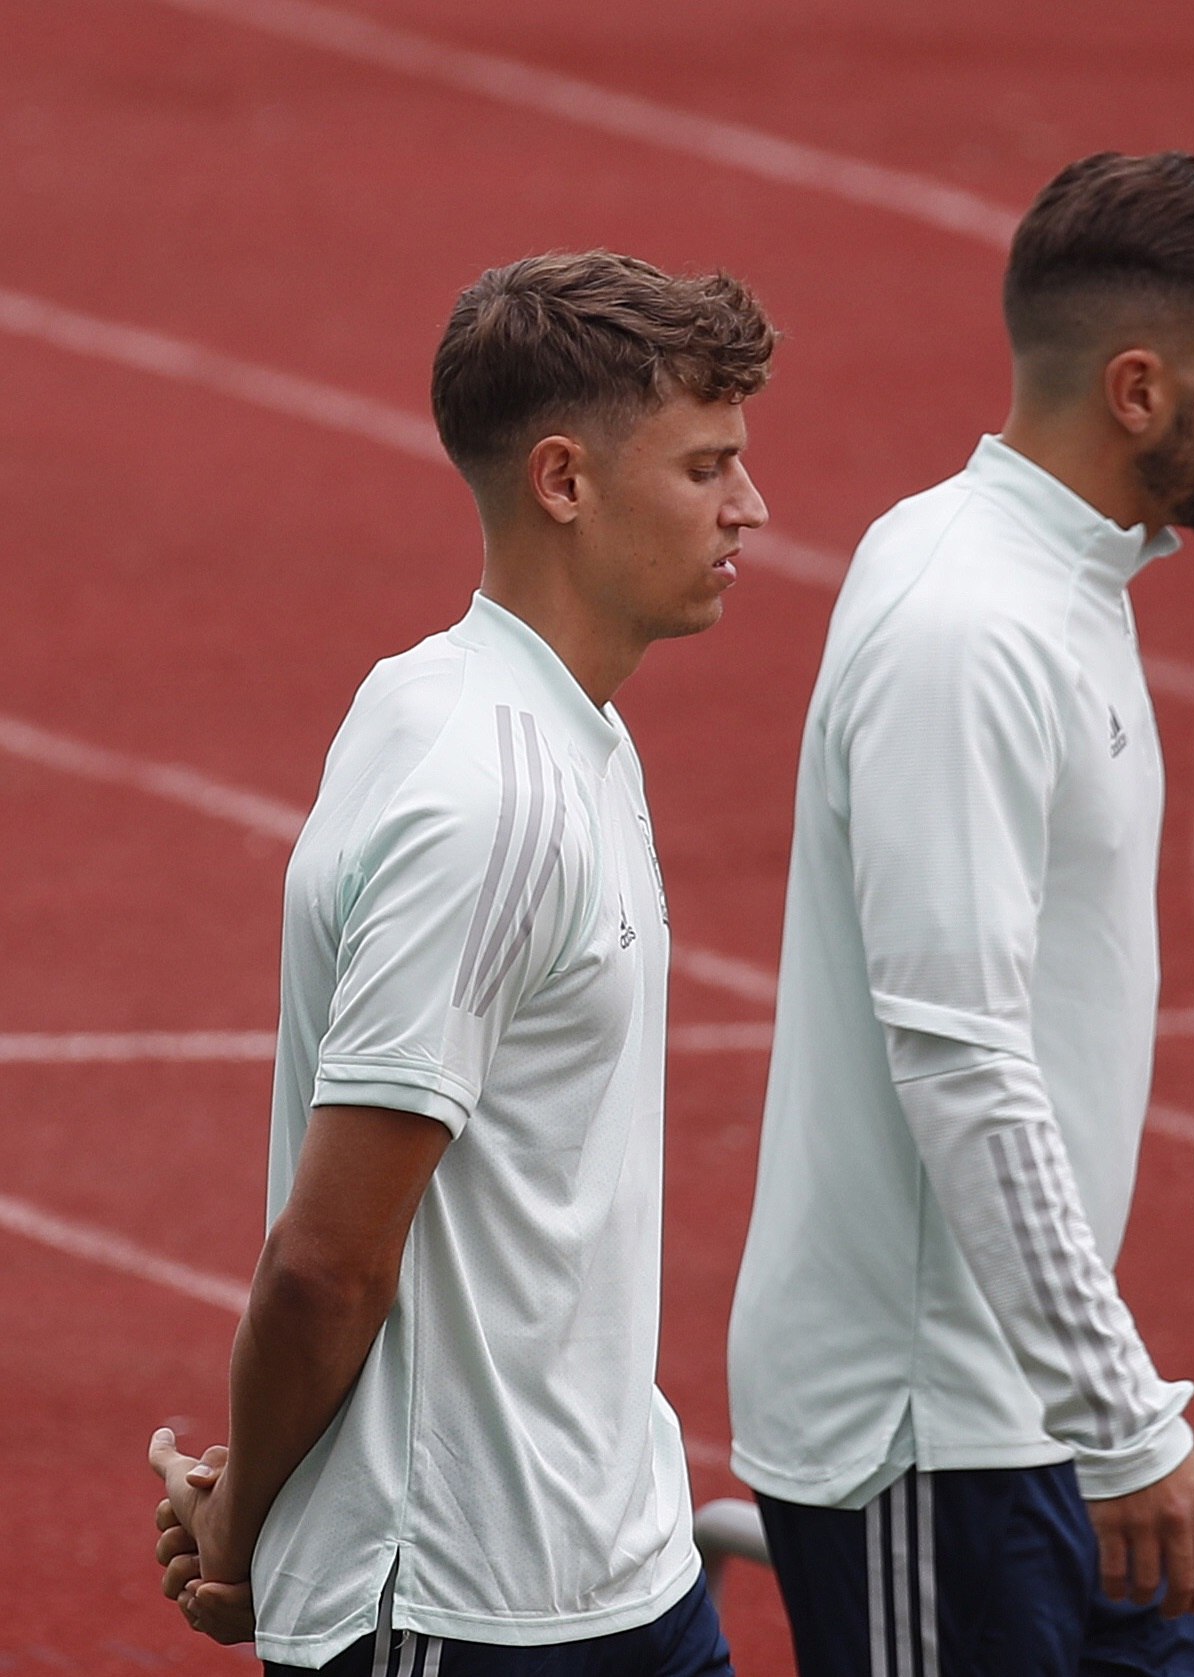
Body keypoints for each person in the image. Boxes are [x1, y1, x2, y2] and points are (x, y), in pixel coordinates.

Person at [146, 250, 774, 1675]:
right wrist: (248, 1524)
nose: (751, 508)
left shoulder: (528, 721)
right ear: (564, 480)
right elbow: (328, 1259)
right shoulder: (490, 794)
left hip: (616, 1564)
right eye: (706, 467)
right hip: (468, 1604)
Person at [725, 150, 1194, 1677]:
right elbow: (959, 1055)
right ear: (1135, 389)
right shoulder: (968, 629)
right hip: (938, 1438)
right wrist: (1120, 1422)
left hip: (1025, 1404)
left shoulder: (1058, 581)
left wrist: (1099, 1403)